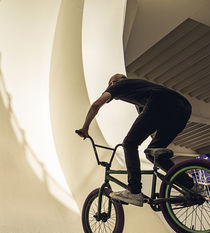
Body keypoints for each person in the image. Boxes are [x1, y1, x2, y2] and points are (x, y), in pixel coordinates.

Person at [77, 74, 194, 206]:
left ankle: (134, 191)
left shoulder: (118, 85)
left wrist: (85, 128)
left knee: (129, 144)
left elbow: (96, 105)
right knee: (152, 153)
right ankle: (190, 186)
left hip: (160, 102)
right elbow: (146, 122)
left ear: (112, 83)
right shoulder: (141, 90)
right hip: (184, 108)